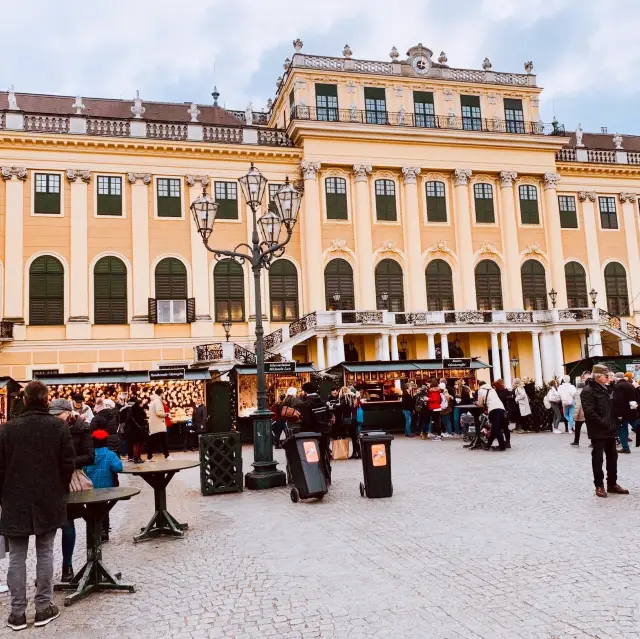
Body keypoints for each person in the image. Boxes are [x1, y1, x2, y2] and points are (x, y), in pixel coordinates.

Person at [0, 381, 75, 630]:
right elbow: (67, 465)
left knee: (17, 559)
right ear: (46, 401)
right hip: (48, 498)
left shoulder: (7, 429)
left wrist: (4, 496)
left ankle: (17, 613)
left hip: (15, 499)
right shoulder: (58, 427)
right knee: (45, 553)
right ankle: (43, 608)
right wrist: (58, 489)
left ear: (24, 400)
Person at [53, 398, 94, 584]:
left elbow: (90, 456)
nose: (56, 418)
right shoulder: (49, 429)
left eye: (58, 414)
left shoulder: (82, 428)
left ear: (68, 412)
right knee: (47, 527)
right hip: (51, 482)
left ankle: (67, 566)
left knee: (68, 524)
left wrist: (69, 463)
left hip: (71, 481)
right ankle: (45, 569)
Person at [581, 364, 628, 498]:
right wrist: (604, 423)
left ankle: (612, 483)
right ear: (598, 376)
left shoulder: (607, 389)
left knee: (613, 456)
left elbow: (614, 406)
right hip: (598, 429)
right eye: (606, 376)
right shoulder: (588, 390)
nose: (609, 378)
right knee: (598, 458)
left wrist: (615, 421)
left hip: (610, 428)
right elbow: (589, 412)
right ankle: (599, 486)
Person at [83, 429, 123, 542]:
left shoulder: (89, 455)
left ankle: (92, 530)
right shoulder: (110, 455)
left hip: (89, 489)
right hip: (106, 489)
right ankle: (104, 530)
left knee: (90, 509)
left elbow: (84, 470)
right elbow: (118, 468)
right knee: (104, 510)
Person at [299, 382, 332, 483]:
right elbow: (329, 415)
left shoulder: (306, 404)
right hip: (325, 432)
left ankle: (317, 476)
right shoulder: (323, 402)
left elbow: (306, 422)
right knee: (324, 453)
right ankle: (327, 475)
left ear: (305, 392)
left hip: (313, 434)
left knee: (314, 456)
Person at [476, 380, 506, 451]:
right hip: (501, 408)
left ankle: (502, 446)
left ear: (479, 385)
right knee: (495, 428)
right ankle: (488, 445)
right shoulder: (492, 389)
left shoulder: (480, 390)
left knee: (496, 428)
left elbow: (480, 403)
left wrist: (477, 403)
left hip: (493, 409)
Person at [612, 371, 637, 454]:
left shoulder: (618, 386)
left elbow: (618, 401)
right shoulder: (631, 385)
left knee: (622, 430)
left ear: (616, 378)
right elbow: (636, 398)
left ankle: (625, 447)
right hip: (632, 410)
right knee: (636, 426)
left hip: (623, 412)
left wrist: (619, 414)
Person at [147, 388, 172, 462]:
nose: (164, 395)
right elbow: (159, 413)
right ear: (161, 393)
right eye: (163, 393)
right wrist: (166, 414)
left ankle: (149, 457)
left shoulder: (153, 401)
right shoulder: (158, 401)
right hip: (159, 425)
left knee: (153, 442)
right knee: (163, 442)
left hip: (154, 425)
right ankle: (167, 456)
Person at [337, 386, 359, 459]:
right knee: (354, 437)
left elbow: (341, 408)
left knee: (343, 436)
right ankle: (357, 452)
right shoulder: (353, 397)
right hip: (354, 418)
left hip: (347, 419)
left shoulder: (344, 398)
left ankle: (343, 452)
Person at [126, 397, 148, 464]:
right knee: (139, 444)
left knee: (136, 444)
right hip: (140, 428)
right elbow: (144, 416)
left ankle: (135, 458)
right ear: (140, 404)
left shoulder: (131, 409)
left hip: (133, 429)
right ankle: (138, 457)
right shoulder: (140, 409)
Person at [493, 379, 511, 449]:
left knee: (503, 428)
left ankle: (505, 442)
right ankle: (506, 442)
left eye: (494, 387)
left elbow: (500, 401)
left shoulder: (500, 393)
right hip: (504, 411)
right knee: (505, 428)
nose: (493, 388)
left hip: (501, 411)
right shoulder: (504, 391)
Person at [571, 380, 586, 446]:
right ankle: (592, 442)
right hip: (587, 412)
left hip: (580, 413)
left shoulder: (577, 393)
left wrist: (575, 415)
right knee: (590, 428)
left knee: (577, 428)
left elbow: (578, 404)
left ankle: (576, 441)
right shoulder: (586, 391)